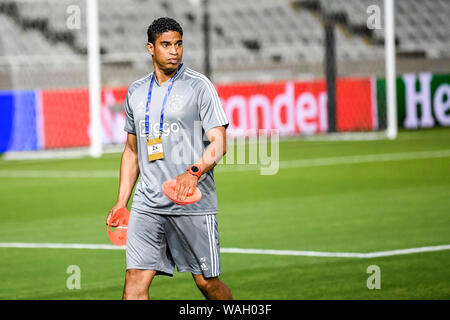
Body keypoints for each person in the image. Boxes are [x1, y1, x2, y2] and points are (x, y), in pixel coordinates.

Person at [107, 17, 232, 300]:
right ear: (150, 48)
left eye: (178, 44)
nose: (174, 51)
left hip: (192, 202)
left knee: (206, 283)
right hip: (148, 203)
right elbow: (132, 150)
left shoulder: (199, 86)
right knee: (135, 282)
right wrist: (121, 201)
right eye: (166, 45)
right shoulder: (136, 92)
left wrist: (194, 172)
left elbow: (219, 141)